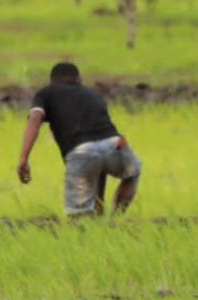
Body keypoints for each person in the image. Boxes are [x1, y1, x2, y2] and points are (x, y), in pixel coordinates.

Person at [17, 62, 142, 217]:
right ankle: (113, 221)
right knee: (132, 173)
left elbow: (35, 118)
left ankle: (89, 230)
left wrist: (24, 157)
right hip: (114, 144)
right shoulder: (93, 94)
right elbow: (99, 156)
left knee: (78, 219)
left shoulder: (46, 93)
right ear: (79, 79)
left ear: (52, 81)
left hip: (81, 151)